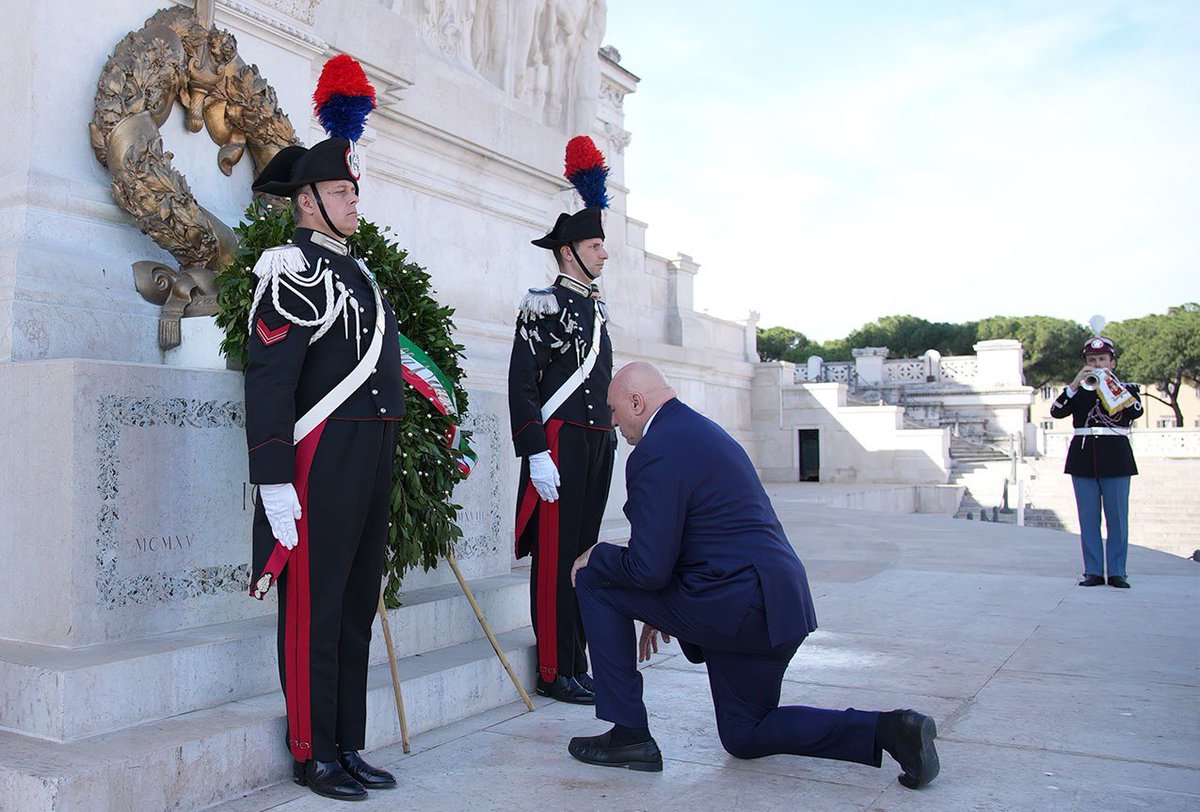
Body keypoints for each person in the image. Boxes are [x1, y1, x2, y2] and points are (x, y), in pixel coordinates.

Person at [567, 362, 941, 790]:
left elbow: (647, 569)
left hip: (735, 605)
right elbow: (703, 536)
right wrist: (663, 607)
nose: (613, 421)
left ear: (637, 402)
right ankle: (894, 731)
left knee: (595, 577)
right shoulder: (703, 431)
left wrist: (599, 555)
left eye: (615, 410)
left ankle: (628, 734)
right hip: (779, 607)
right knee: (746, 734)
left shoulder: (654, 451)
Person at [243, 56, 401, 801]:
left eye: (355, 190)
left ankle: (346, 742)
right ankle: (312, 751)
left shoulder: (357, 273)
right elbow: (270, 384)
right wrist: (273, 481)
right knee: (312, 608)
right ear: (307, 203)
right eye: (343, 191)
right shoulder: (292, 270)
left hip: (368, 456)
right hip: (319, 461)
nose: (354, 203)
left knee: (351, 605)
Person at [508, 136, 615, 704]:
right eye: (597, 245)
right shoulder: (543, 303)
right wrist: (536, 453)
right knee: (553, 559)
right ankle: (553, 668)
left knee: (582, 556)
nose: (605, 254)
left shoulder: (595, 306)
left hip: (598, 441)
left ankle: (575, 660)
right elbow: (522, 384)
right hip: (560, 442)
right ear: (570, 250)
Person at [1050, 336, 1143, 588]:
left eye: (1102, 359)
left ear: (1112, 362)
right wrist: (1075, 383)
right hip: (1083, 458)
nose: (1098, 363)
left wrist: (1112, 386)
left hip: (1116, 458)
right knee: (1088, 519)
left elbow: (1135, 411)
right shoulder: (1080, 390)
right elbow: (1057, 411)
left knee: (1117, 519)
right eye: (1092, 360)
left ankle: (1117, 572)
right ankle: (1092, 571)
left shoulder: (1127, 390)